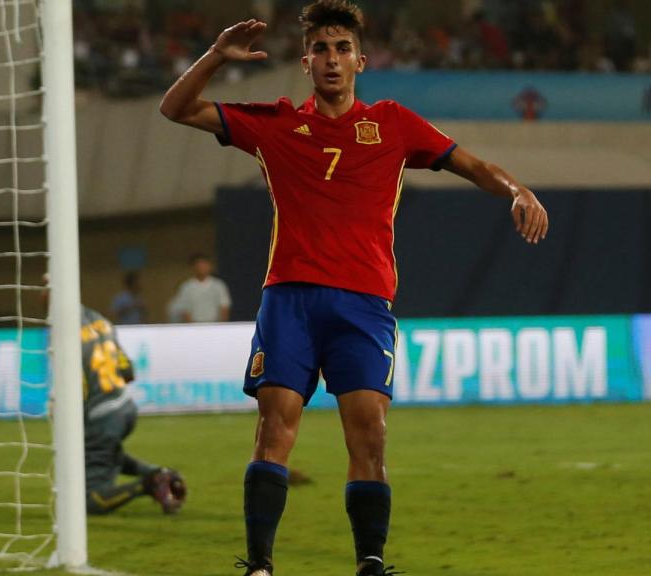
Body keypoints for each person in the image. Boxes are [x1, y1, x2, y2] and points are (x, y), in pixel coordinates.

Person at [159, 2, 548, 575]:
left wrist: (519, 190)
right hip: (289, 298)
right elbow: (175, 108)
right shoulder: (273, 123)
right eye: (321, 49)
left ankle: (369, 563)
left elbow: (471, 163)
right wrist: (217, 55)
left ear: (361, 60)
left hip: (364, 305)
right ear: (306, 60)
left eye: (342, 48)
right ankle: (260, 566)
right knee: (275, 428)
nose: (332, 59)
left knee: (369, 437)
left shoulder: (393, 123)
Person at [79, 304, 186, 514]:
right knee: (100, 451)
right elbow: (128, 371)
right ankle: (161, 473)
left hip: (102, 415)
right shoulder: (101, 322)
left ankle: (150, 483)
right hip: (124, 406)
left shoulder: (65, 332)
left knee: (88, 501)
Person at [173, 253, 232, 322]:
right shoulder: (186, 287)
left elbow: (224, 306)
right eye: (198, 265)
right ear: (193, 267)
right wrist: (193, 328)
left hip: (215, 326)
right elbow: (185, 309)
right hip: (195, 326)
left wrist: (221, 326)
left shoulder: (219, 285)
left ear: (210, 266)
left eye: (204, 264)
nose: (201, 268)